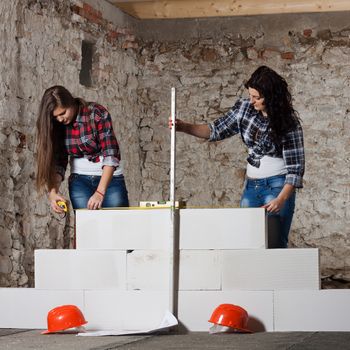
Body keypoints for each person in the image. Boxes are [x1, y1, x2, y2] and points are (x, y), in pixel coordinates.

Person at [171, 66, 304, 248]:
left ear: (271, 98)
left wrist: (281, 199)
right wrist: (184, 127)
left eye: (257, 98)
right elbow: (215, 129)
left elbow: (295, 169)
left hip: (277, 187)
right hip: (251, 186)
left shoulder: (289, 123)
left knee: (274, 245)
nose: (252, 101)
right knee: (247, 243)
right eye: (250, 95)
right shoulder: (244, 108)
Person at [36, 85, 129, 213]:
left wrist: (100, 192)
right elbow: (59, 162)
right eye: (56, 117)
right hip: (80, 182)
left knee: (118, 227)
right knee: (86, 230)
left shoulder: (96, 113)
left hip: (111, 181)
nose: (60, 119)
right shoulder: (58, 124)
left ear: (70, 102)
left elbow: (111, 155)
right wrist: (53, 192)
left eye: (63, 113)